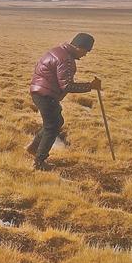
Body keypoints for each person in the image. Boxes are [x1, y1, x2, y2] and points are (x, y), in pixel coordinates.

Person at [27, 33, 101, 170]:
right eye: (86, 51)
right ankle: (39, 162)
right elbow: (67, 86)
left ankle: (34, 148)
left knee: (56, 122)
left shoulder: (59, 51)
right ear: (79, 47)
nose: (85, 54)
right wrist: (90, 86)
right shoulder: (66, 59)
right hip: (46, 95)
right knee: (52, 127)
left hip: (40, 91)